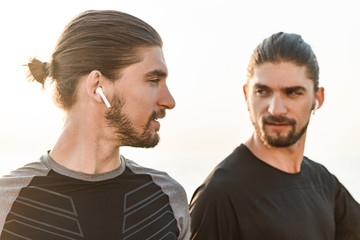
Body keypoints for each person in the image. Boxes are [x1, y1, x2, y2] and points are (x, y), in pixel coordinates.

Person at [0, 10, 190, 240]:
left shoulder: (169, 198)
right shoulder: (5, 204)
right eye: (153, 80)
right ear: (97, 86)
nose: (169, 101)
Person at [190, 32, 360, 239]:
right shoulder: (219, 195)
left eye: (293, 93)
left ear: (318, 98)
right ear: (247, 95)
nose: (276, 109)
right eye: (263, 92)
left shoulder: (322, 181)